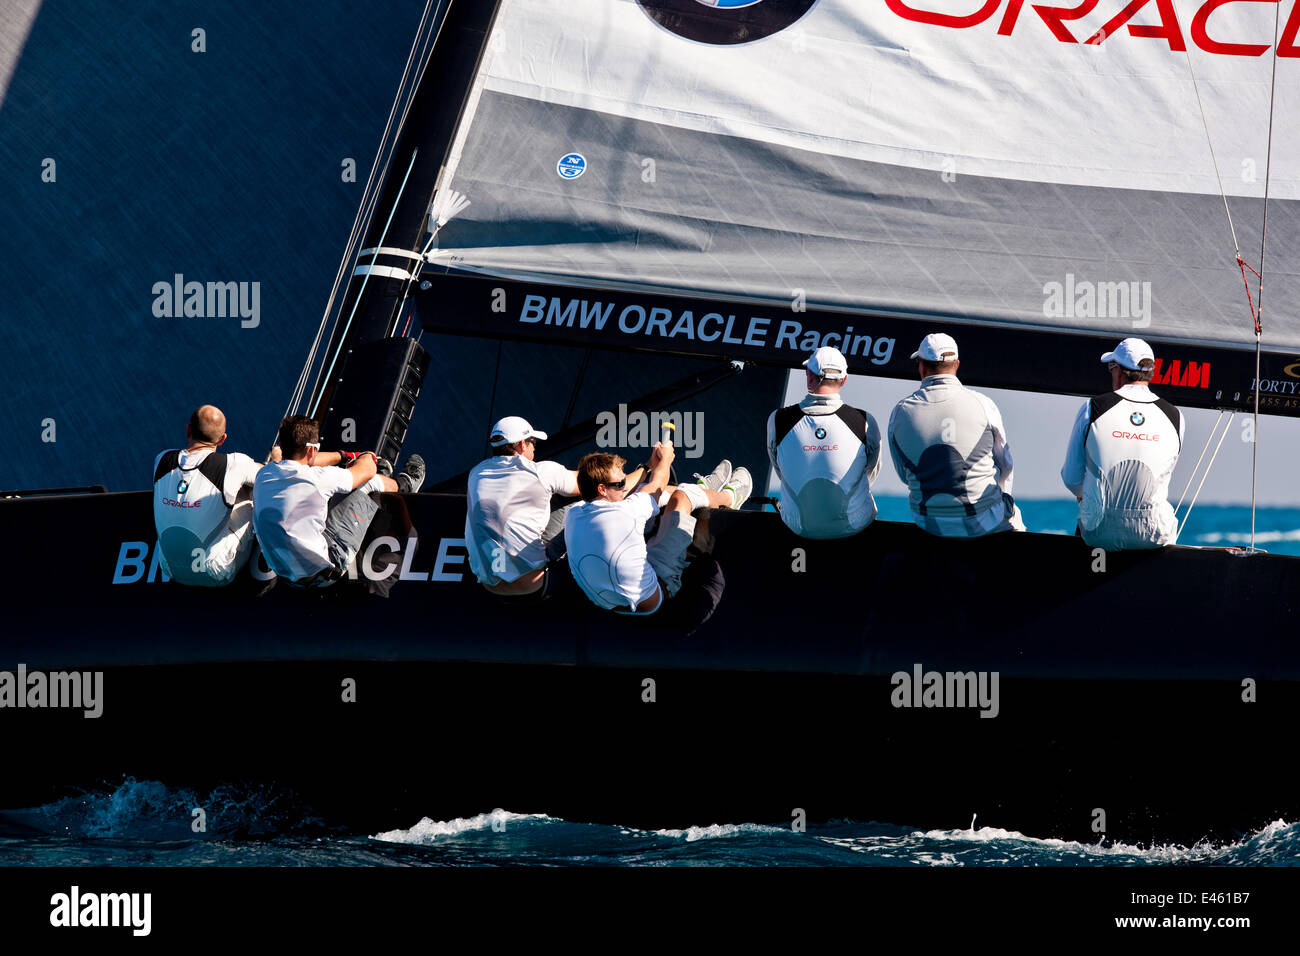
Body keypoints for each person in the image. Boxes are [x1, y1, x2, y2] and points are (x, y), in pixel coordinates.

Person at [564, 444, 751, 615]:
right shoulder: (626, 513)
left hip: (609, 602)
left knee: (642, 493)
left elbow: (633, 490)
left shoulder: (574, 514)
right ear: (602, 489)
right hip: (653, 596)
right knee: (682, 495)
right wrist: (665, 460)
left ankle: (705, 493)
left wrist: (648, 465)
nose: (624, 487)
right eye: (619, 484)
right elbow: (657, 485)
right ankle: (728, 497)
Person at [252, 415, 425, 587]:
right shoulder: (319, 479)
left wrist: (343, 456)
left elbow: (289, 458)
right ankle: (405, 484)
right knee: (369, 483)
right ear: (312, 451)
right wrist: (366, 456)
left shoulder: (264, 475)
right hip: (327, 569)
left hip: (287, 575)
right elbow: (367, 470)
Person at [888, 333, 1025, 536]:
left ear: (922, 366)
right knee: (1015, 516)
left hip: (927, 520)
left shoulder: (900, 412)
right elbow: (1005, 465)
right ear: (957, 365)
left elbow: (904, 475)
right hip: (980, 518)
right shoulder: (983, 404)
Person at [1061, 337, 1183, 549]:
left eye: (1110, 367)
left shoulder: (1093, 408)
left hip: (1097, 533)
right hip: (1153, 535)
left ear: (1118, 370)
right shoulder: (1175, 416)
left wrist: (1088, 497)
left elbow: (1071, 478)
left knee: (1088, 520)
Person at [153, 404, 276, 586]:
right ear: (222, 439)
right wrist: (278, 459)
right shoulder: (234, 464)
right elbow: (272, 479)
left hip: (169, 569)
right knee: (249, 495)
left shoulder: (161, 459)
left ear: (188, 430)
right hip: (215, 574)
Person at [767, 346, 882, 539]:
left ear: (809, 375)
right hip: (854, 526)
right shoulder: (864, 421)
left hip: (797, 526)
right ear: (844, 380)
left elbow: (780, 469)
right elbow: (872, 469)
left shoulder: (777, 420)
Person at [464, 416, 582, 598]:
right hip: (535, 588)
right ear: (521, 445)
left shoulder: (476, 473)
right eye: (532, 441)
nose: (534, 446)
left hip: (490, 589)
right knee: (575, 498)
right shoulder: (542, 471)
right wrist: (642, 470)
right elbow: (590, 481)